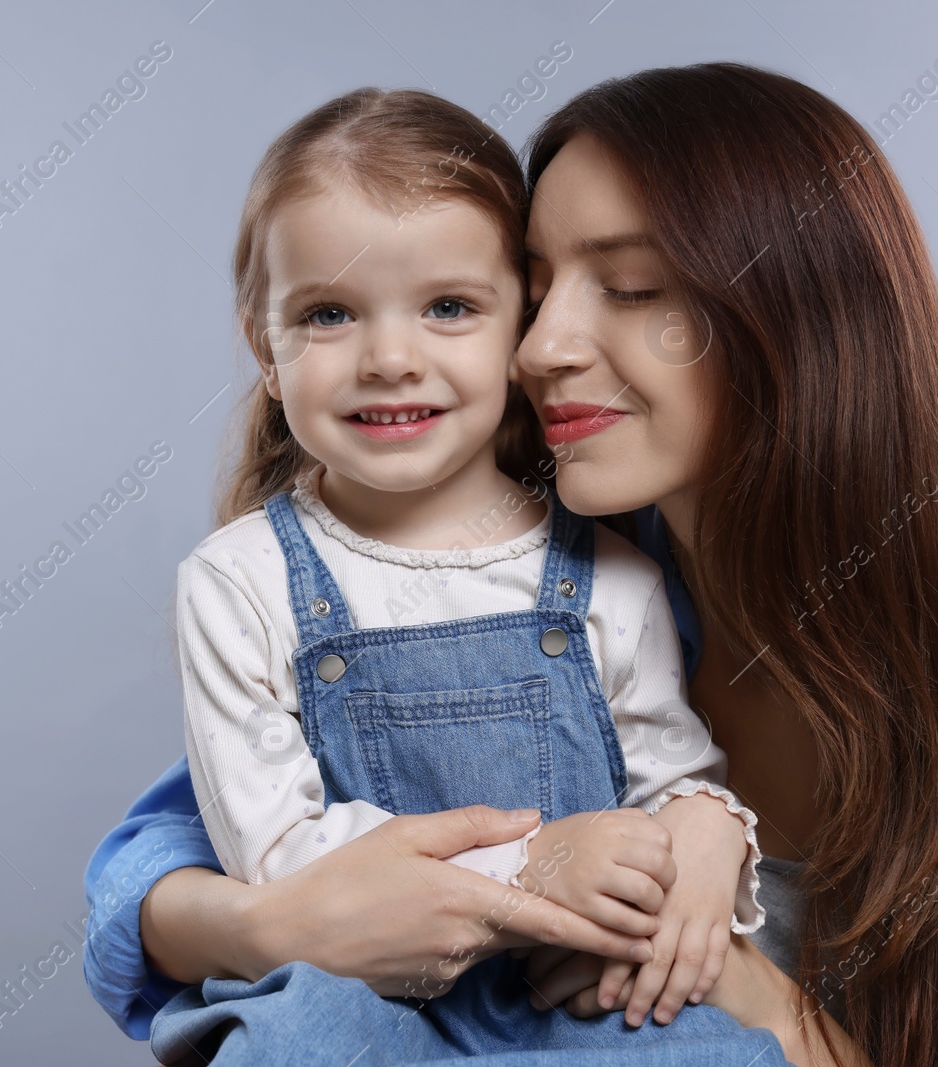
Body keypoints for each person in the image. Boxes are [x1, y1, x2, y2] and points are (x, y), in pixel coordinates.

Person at [86, 62, 938, 1067]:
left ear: (790, 324)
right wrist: (271, 924)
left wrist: (745, 984)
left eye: (629, 286)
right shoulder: (511, 573)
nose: (538, 347)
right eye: (534, 282)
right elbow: (155, 861)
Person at [159, 85, 771, 1061]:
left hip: (571, 990)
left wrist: (693, 852)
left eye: (448, 306)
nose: (390, 357)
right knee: (291, 1040)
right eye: (328, 313)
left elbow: (672, 788)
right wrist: (532, 868)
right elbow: (273, 863)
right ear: (264, 350)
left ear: (517, 332)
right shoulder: (239, 582)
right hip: (360, 989)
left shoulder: (608, 576)